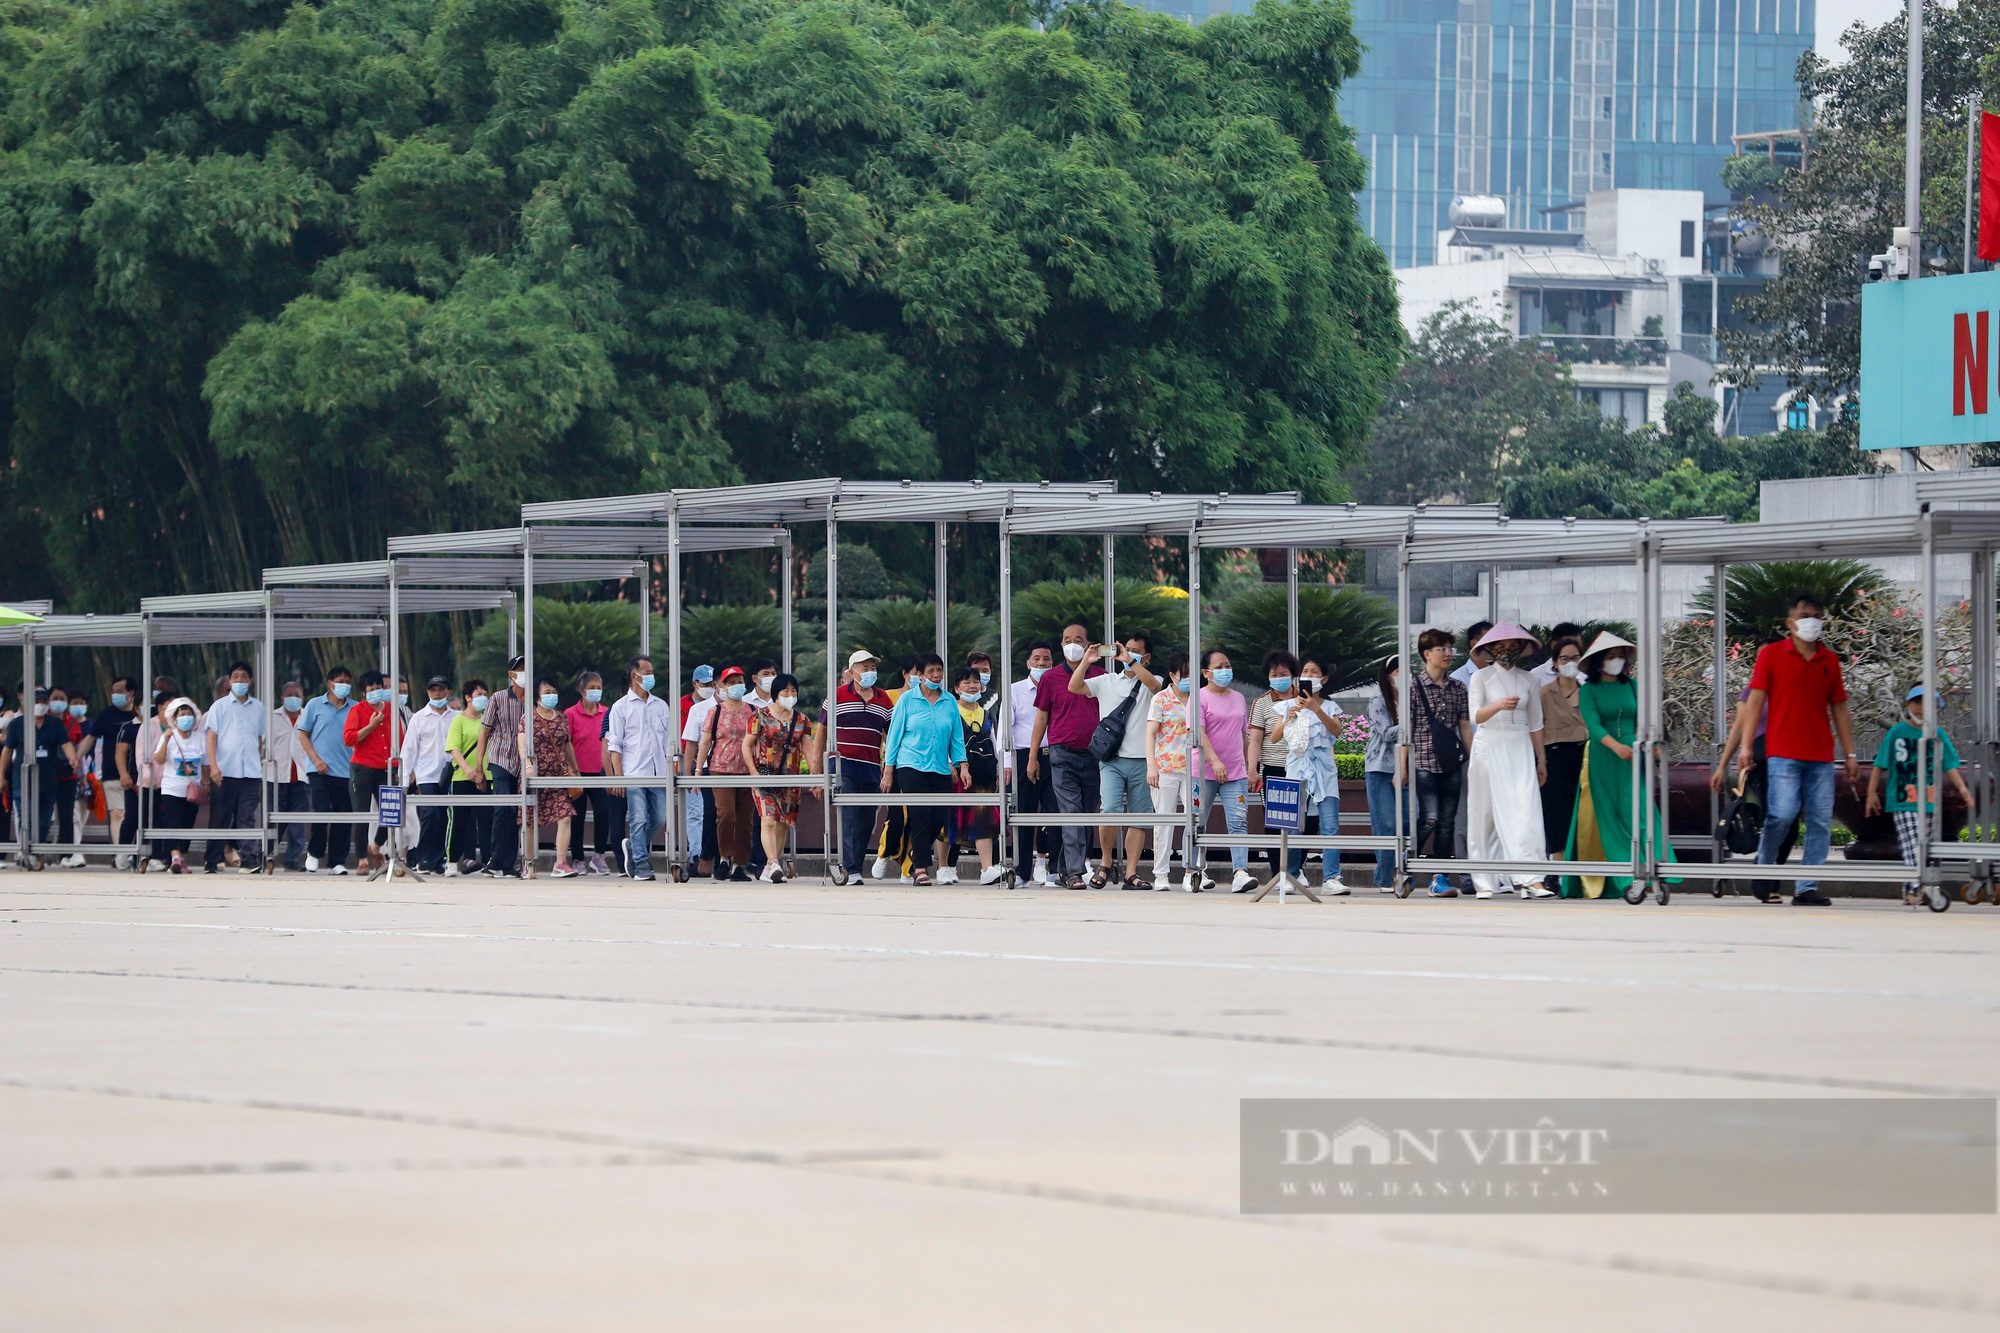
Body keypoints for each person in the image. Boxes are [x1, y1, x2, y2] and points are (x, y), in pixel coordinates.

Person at [1736, 593, 1857, 906]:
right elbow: (1755, 701)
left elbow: (1840, 708)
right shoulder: (1772, 655)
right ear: (1790, 622)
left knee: (1819, 821)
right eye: (1805, 615)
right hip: (1783, 752)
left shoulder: (1829, 660)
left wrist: (1851, 753)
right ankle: (1764, 870)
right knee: (1782, 814)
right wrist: (1746, 746)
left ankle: (1806, 887)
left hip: (1820, 755)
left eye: (1817, 615)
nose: (1812, 621)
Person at [1561, 633, 1677, 897]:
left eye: (1620, 656)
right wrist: (1616, 747)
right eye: (1611, 656)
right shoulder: (1589, 690)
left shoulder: (1633, 686)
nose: (1617, 661)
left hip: (1636, 754)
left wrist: (1651, 746)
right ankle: (1627, 877)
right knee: (1610, 816)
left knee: (1641, 812)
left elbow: (1645, 720)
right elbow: (1594, 726)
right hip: (1605, 757)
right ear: (1598, 661)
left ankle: (1656, 870)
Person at [1464, 622, 1551, 899]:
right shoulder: (1481, 678)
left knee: (1527, 812)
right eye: (1501, 648)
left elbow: (1536, 724)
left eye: (1513, 648)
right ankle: (1484, 881)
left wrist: (1542, 760)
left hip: (1519, 746)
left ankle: (1532, 878)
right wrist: (1499, 705)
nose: (1507, 653)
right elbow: (1475, 715)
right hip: (1490, 744)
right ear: (1490, 650)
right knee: (1485, 815)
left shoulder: (1529, 680)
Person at [1867, 685, 1972, 907]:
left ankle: (1919, 887)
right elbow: (1880, 764)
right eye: (1918, 703)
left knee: (1926, 846)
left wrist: (1963, 789)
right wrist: (1871, 794)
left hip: (1928, 801)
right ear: (1908, 705)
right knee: (1913, 844)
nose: (1923, 709)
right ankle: (1913, 889)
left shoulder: (1937, 734)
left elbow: (1950, 765)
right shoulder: (1897, 732)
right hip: (1903, 800)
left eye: (1929, 705)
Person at [1073, 633, 1159, 888]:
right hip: (1111, 759)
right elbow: (1074, 687)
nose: (1126, 653)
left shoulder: (1150, 680)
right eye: (1124, 649)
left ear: (1146, 657)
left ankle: (1131, 872)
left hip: (1143, 760)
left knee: (1139, 818)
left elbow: (1156, 688)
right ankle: (1106, 863)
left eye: (1134, 650)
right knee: (1109, 810)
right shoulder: (1106, 680)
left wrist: (1132, 663)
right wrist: (1086, 661)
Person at [879, 653, 968, 887]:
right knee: (920, 815)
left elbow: (956, 737)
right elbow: (895, 737)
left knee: (939, 817)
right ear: (919, 675)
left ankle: (914, 854)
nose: (936, 675)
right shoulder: (907, 700)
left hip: (939, 768)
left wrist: (962, 765)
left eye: (939, 670)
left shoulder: (949, 701)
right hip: (910, 766)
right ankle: (920, 868)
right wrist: (889, 771)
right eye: (930, 671)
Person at [1030, 623, 1104, 889]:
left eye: (1078, 639)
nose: (1072, 643)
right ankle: (1074, 871)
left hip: (1095, 755)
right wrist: (1033, 756)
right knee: (1071, 812)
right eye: (1067, 639)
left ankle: (1064, 869)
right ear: (1061, 644)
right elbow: (1041, 717)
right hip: (1062, 753)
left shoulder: (1101, 675)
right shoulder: (1050, 678)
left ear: (1088, 645)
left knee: (1086, 813)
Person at [1266, 657, 1349, 893]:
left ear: (1323, 679)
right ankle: (1290, 875)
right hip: (1297, 765)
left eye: (1315, 672)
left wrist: (1316, 709)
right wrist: (1291, 715)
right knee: (1293, 824)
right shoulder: (1287, 705)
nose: (1309, 675)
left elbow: (1336, 731)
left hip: (1323, 768)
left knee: (1330, 823)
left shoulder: (1330, 706)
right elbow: (1274, 737)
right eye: (1305, 671)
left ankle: (1332, 877)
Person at [1409, 628, 1474, 898]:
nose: (1448, 654)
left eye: (1450, 649)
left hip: (1451, 763)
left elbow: (1464, 727)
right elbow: (1408, 729)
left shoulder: (1458, 687)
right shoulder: (1413, 686)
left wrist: (1473, 759)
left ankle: (1441, 878)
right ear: (1427, 654)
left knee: (1447, 822)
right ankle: (1405, 863)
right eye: (1442, 649)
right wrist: (1402, 767)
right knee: (1431, 819)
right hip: (1423, 761)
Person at [820, 650, 892, 883]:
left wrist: (888, 767)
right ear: (852, 672)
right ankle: (850, 869)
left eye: (873, 668)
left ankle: (856, 866)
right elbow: (821, 730)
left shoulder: (883, 699)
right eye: (865, 668)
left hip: (871, 767)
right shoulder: (836, 695)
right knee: (849, 816)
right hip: (844, 766)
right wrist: (816, 767)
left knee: (866, 819)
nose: (870, 672)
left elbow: (890, 735)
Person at [1192, 649, 1258, 894]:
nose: (1225, 670)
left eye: (1227, 665)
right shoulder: (1198, 698)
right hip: (1204, 773)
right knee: (1198, 821)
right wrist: (1215, 761)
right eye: (1219, 667)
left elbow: (1243, 735)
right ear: (1206, 673)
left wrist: (1248, 767)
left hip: (1235, 774)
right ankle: (1194, 870)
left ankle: (1240, 872)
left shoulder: (1239, 698)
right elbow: (1199, 733)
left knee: (1239, 822)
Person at [605, 656, 676, 883]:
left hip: (658, 774)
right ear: (634, 676)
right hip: (634, 772)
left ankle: (633, 848)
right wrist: (618, 778)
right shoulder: (620, 707)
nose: (650, 676)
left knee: (659, 817)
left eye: (651, 671)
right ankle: (642, 865)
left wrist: (672, 770)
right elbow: (615, 744)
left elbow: (668, 742)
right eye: (646, 672)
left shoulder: (661, 706)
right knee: (638, 819)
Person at [743, 673, 816, 883]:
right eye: (786, 691)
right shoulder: (759, 716)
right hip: (764, 776)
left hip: (791, 779)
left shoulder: (801, 720)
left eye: (794, 691)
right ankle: (773, 862)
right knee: (768, 819)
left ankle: (771, 865)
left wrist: (813, 775)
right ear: (776, 693)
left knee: (784, 822)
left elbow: (808, 748)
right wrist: (753, 772)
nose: (790, 695)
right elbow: (746, 745)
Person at [696, 666, 759, 881]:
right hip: (720, 770)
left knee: (745, 820)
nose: (736, 686)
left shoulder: (752, 710)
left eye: (739, 681)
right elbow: (705, 741)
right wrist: (698, 769)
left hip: (746, 771)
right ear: (722, 686)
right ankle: (724, 858)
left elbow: (758, 741)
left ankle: (739, 864)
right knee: (725, 815)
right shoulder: (716, 711)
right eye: (731, 683)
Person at [203, 660, 266, 874]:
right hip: (225, 771)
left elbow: (258, 738)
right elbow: (211, 737)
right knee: (220, 816)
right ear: (230, 681)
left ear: (251, 681)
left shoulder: (258, 707)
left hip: (250, 772)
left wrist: (257, 759)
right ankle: (211, 859)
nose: (240, 681)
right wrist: (213, 766)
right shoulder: (219, 707)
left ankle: (249, 860)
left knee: (246, 817)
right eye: (236, 677)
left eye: (244, 677)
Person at [943, 665, 1003, 883]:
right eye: (966, 682)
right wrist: (950, 765)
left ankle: (987, 869)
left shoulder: (987, 713)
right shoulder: (950, 711)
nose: (972, 686)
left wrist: (998, 771)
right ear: (956, 689)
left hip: (983, 775)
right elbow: (944, 740)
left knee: (984, 820)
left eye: (975, 682)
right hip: (956, 775)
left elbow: (996, 745)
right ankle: (944, 868)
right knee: (952, 821)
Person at [473, 655, 529, 878]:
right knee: (502, 808)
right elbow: (484, 733)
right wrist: (479, 768)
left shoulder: (532, 700)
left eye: (526, 669)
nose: (523, 673)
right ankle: (494, 860)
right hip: (500, 759)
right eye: (519, 670)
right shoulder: (497, 698)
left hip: (522, 762)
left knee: (517, 812)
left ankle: (508, 862)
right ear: (511, 674)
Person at [1247, 650, 1300, 883]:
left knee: (1304, 822)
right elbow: (1255, 740)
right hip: (1273, 769)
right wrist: (1252, 769)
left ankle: (1297, 871)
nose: (1279, 677)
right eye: (1274, 674)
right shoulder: (1261, 704)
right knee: (1275, 822)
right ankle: (1279, 873)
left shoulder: (1306, 699)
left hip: (1301, 769)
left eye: (1284, 673)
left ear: (1293, 675)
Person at [297, 667, 356, 875]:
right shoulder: (314, 705)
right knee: (322, 811)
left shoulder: (355, 708)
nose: (344, 685)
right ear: (330, 683)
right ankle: (314, 853)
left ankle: (336, 861)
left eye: (347, 681)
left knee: (343, 816)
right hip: (319, 769)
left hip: (346, 771)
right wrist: (315, 759)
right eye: (340, 680)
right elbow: (303, 735)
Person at [1145, 654, 1197, 890]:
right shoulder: (1161, 699)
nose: (1187, 679)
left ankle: (1191, 871)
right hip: (1165, 768)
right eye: (1183, 675)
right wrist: (1151, 766)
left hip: (1193, 769)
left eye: (1191, 674)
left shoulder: (1199, 699)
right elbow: (1150, 734)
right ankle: (1161, 874)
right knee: (1164, 821)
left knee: (1194, 819)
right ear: (1173, 675)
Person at [1009, 642, 1057, 884]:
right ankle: (1021, 872)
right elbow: (1005, 731)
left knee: (1056, 815)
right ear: (1028, 663)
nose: (1041, 663)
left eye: (1046, 659)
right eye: (1036, 659)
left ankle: (1056, 870)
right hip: (1024, 757)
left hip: (1055, 756)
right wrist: (1007, 764)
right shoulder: (1015, 690)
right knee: (1024, 816)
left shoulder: (1061, 687)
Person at [1, 687, 72, 847]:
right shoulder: (17, 724)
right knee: (25, 817)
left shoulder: (55, 724)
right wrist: (1, 775)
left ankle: (37, 848)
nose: (40, 705)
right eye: (36, 701)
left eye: (43, 701)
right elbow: (7, 751)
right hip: (23, 777)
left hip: (47, 779)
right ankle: (26, 849)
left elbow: (66, 744)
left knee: (44, 819)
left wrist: (73, 758)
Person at [526, 676, 582, 877]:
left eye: (553, 692)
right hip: (535, 776)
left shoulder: (561, 718)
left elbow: (567, 745)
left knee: (565, 816)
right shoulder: (529, 718)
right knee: (530, 821)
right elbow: (521, 743)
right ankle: (529, 863)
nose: (551, 696)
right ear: (536, 696)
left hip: (558, 775)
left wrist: (575, 771)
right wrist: (527, 765)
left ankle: (560, 863)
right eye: (546, 692)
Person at [1537, 637, 1587, 861]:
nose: (1570, 662)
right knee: (1557, 815)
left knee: (1584, 814)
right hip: (1555, 758)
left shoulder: (1588, 690)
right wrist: (1541, 761)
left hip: (1585, 757)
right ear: (1555, 663)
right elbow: (1537, 727)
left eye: (1575, 658)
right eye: (1564, 658)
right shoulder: (1544, 693)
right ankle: (1559, 871)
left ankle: (1584, 871)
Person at [565, 670, 619, 875]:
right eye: (592, 688)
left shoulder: (607, 712)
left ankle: (599, 856)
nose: (596, 692)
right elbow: (566, 743)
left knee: (603, 813)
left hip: (600, 772)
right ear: (581, 690)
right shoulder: (570, 714)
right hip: (577, 773)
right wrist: (571, 771)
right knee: (576, 817)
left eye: (599, 688)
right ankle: (577, 858)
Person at [1363, 655, 1409, 893]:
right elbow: (1385, 733)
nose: (1403, 675)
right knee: (1386, 822)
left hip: (1410, 767)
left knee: (1413, 817)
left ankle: (1403, 868)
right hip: (1380, 767)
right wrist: (1408, 722)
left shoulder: (1414, 700)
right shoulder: (1378, 701)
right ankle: (1384, 877)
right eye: (1398, 671)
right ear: (1388, 675)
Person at [342, 670, 394, 875]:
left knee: (390, 812)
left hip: (386, 767)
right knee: (361, 813)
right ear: (364, 693)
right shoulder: (357, 710)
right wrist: (371, 726)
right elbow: (349, 738)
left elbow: (397, 737)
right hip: (362, 767)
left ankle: (376, 846)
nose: (375, 692)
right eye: (371, 689)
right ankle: (362, 859)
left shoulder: (391, 709)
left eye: (378, 687)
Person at [402, 676, 455, 874]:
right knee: (430, 814)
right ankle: (423, 857)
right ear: (428, 693)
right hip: (426, 775)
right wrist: (405, 780)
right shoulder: (418, 718)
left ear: (448, 692)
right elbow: (408, 750)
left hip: (448, 774)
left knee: (443, 818)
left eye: (441, 689)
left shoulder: (455, 717)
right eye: (433, 690)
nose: (437, 693)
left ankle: (438, 859)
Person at [151, 697, 206, 874]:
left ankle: (181, 857)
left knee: (187, 823)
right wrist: (166, 740)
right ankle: (174, 857)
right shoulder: (169, 737)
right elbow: (159, 759)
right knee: (173, 822)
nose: (185, 718)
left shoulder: (199, 739)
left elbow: (204, 763)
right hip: (172, 788)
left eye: (188, 714)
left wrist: (206, 782)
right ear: (174, 719)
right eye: (181, 715)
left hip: (192, 788)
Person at [446, 679, 493, 876]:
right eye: (478, 694)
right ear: (468, 697)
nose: (483, 698)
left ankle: (489, 860)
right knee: (458, 819)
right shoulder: (459, 720)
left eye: (485, 694)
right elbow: (453, 748)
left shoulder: (488, 720)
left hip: (486, 776)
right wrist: (468, 770)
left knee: (486, 820)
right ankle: (452, 860)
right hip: (462, 778)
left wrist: (482, 771)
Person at [88, 677, 137, 860]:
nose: (115, 695)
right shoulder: (106, 715)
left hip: (137, 776)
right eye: (113, 691)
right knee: (117, 813)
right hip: (111, 774)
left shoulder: (140, 716)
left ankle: (133, 852)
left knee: (132, 817)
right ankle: (120, 854)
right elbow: (91, 738)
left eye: (119, 691)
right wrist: (76, 757)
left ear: (131, 694)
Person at [675, 664, 715, 877]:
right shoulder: (683, 705)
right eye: (704, 684)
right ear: (695, 683)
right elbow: (686, 740)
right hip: (689, 764)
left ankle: (707, 854)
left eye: (711, 684)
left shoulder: (716, 704)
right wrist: (686, 770)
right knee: (694, 812)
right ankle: (695, 855)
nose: (708, 688)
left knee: (709, 811)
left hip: (711, 766)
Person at [268, 682, 312, 871]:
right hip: (276, 777)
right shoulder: (272, 718)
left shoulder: (309, 717)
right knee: (273, 820)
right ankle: (267, 855)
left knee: (298, 823)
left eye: (297, 695)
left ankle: (292, 859)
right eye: (289, 695)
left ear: (302, 698)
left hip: (301, 777)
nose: (293, 698)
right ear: (282, 698)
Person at [1531, 622, 1583, 688]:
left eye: (1577, 645)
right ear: (1554, 645)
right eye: (1567, 644)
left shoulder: (1588, 674)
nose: (1573, 648)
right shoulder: (1536, 676)